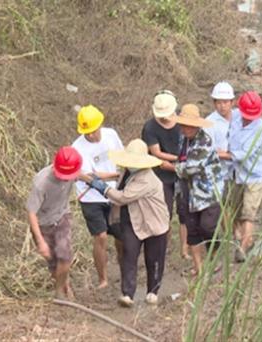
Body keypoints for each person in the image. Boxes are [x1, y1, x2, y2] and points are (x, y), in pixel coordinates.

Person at [87, 139, 169, 307]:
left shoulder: (147, 178)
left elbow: (123, 197)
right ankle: (127, 293)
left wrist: (102, 187)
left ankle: (153, 291)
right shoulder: (127, 172)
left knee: (154, 258)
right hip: (133, 219)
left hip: (154, 222)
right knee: (129, 255)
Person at [71, 105, 124, 289]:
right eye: (88, 132)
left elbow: (121, 156)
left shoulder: (111, 135)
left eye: (94, 130)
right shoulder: (77, 148)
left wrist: (121, 176)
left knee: (120, 235)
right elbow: (89, 176)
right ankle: (103, 278)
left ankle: (124, 268)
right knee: (100, 236)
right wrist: (114, 176)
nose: (93, 135)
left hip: (113, 194)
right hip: (91, 196)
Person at [173, 104, 222, 276]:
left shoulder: (204, 141)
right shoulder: (182, 139)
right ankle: (198, 268)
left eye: (189, 125)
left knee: (208, 227)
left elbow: (190, 168)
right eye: (183, 125)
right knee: (192, 229)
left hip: (207, 192)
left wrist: (170, 167)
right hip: (187, 190)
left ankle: (215, 259)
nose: (185, 128)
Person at [26, 146, 82, 299]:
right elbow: (31, 213)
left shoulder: (73, 171)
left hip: (62, 217)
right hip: (43, 223)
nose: (65, 179)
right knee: (53, 263)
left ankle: (59, 292)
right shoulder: (41, 182)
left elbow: (86, 176)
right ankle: (64, 284)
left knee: (64, 256)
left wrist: (104, 180)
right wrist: (40, 241)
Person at [141, 90, 189, 260]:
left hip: (183, 174)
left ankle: (184, 249)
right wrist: (179, 160)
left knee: (185, 213)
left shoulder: (182, 123)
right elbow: (156, 152)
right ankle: (163, 248)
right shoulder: (150, 127)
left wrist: (183, 163)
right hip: (162, 175)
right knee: (164, 213)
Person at [227, 91, 262, 262]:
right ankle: (244, 239)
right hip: (237, 174)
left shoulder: (260, 128)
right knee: (235, 211)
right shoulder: (236, 117)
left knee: (248, 212)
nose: (248, 119)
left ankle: (242, 248)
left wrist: (221, 154)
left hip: (255, 175)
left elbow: (243, 154)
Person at [205, 81, 241, 191]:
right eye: (219, 103)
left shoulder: (239, 117)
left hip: (238, 170)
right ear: (214, 103)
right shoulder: (209, 122)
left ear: (232, 102)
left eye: (225, 102)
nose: (222, 106)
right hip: (219, 172)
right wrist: (227, 155)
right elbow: (208, 150)